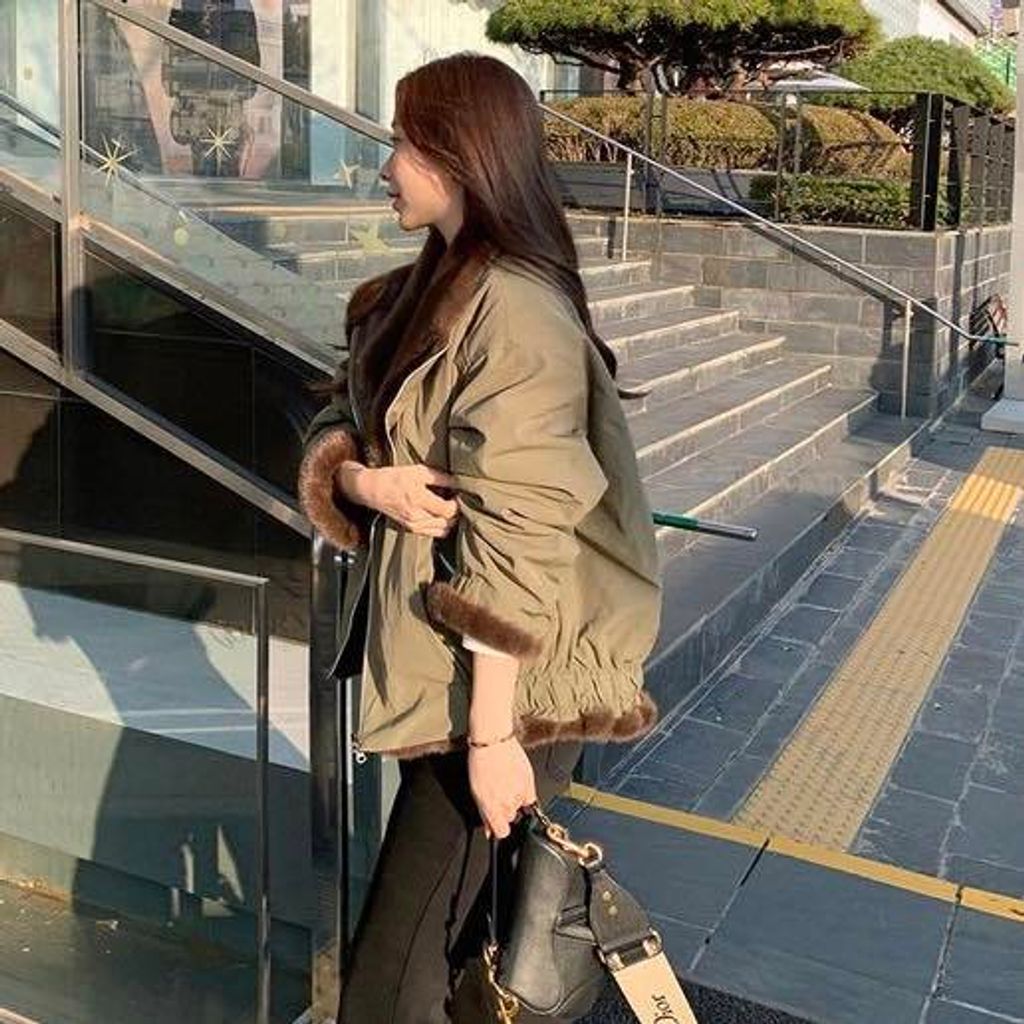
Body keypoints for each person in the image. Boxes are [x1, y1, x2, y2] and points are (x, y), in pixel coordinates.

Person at [297, 53, 662, 1024]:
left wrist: (493, 737)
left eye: (401, 144)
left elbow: (520, 534)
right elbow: (337, 421)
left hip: (502, 697)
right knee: (447, 961)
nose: (384, 167)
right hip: (445, 677)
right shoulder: (419, 292)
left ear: (458, 154)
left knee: (394, 983)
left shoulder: (517, 311)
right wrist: (361, 479)